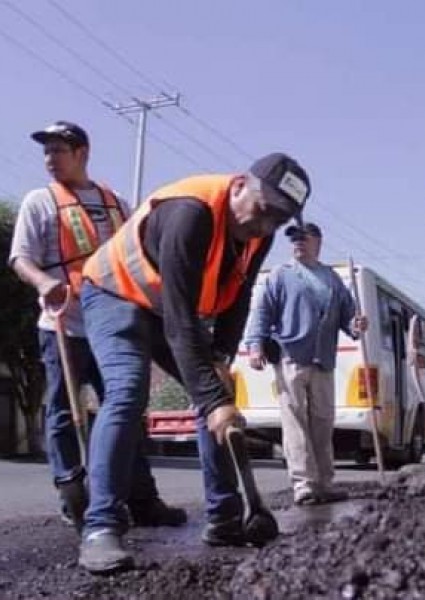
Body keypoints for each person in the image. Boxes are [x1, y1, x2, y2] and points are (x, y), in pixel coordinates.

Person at [77, 151, 312, 574]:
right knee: (129, 393)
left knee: (217, 394)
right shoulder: (191, 213)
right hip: (115, 295)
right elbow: (182, 319)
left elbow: (238, 297)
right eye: (261, 211)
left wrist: (221, 357)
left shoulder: (262, 231)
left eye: (277, 219)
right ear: (239, 184)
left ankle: (225, 517)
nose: (263, 225)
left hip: (163, 310)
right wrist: (212, 396)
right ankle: (100, 528)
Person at [9, 121, 185, 532]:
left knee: (125, 411)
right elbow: (20, 258)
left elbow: (138, 256)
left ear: (82, 153)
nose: (50, 159)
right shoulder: (40, 202)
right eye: (47, 152)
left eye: (59, 150)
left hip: (115, 325)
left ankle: (142, 499)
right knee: (61, 410)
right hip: (62, 324)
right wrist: (43, 281)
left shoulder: (117, 203)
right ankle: (73, 493)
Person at [244, 222, 368, 505]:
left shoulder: (332, 279)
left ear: (318, 242)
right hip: (290, 356)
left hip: (323, 359)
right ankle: (304, 484)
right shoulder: (281, 275)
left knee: (323, 422)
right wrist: (255, 345)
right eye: (294, 239)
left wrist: (357, 324)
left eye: (304, 238)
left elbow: (350, 319)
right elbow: (262, 312)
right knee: (295, 421)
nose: (298, 243)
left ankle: (324, 482)